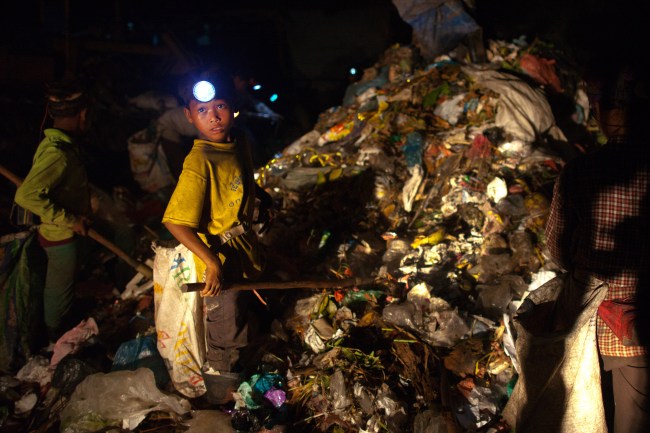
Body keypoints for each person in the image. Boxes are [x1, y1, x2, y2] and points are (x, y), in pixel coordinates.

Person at [545, 66, 650, 433]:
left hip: (586, 326)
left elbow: (555, 251)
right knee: (633, 419)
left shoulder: (579, 172)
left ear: (603, 115)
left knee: (584, 415)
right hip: (637, 333)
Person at [161, 70, 272, 394]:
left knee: (242, 313)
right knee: (225, 325)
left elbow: (242, 179)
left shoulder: (239, 143)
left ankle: (242, 366)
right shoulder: (200, 162)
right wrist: (212, 263)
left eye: (220, 107)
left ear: (234, 107)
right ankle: (221, 394)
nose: (214, 118)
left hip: (242, 247)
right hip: (220, 255)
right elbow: (175, 221)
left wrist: (261, 196)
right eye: (203, 111)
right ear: (189, 116)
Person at [14, 79, 93, 344]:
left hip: (62, 233)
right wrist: (70, 220)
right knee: (58, 296)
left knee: (60, 292)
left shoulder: (61, 146)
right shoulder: (58, 153)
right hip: (60, 236)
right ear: (82, 114)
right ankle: (53, 343)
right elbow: (26, 195)